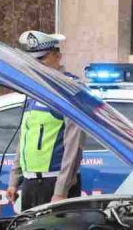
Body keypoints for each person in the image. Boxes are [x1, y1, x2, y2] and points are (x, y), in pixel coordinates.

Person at [6, 31, 84, 210]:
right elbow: (25, 137)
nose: (36, 65)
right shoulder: (35, 90)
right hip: (31, 183)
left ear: (58, 56)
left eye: (42, 58)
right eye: (32, 60)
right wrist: (14, 181)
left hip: (55, 184)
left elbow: (74, 145)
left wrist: (61, 192)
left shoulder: (69, 89)